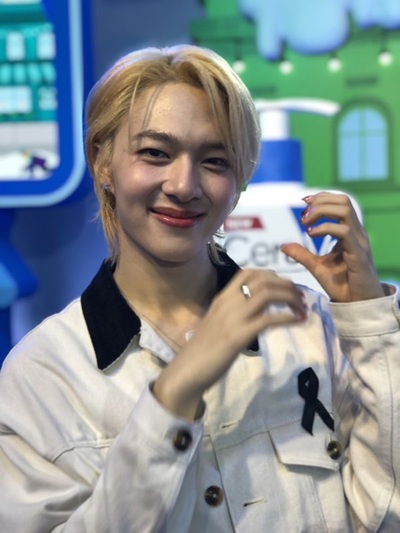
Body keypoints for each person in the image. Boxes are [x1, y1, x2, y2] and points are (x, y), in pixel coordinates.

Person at [0, 44, 399, 533]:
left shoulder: (310, 325)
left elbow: (385, 516)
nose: (184, 185)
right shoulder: (42, 375)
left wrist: (370, 321)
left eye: (214, 160)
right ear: (103, 162)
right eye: (155, 153)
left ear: (240, 179)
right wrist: (173, 395)